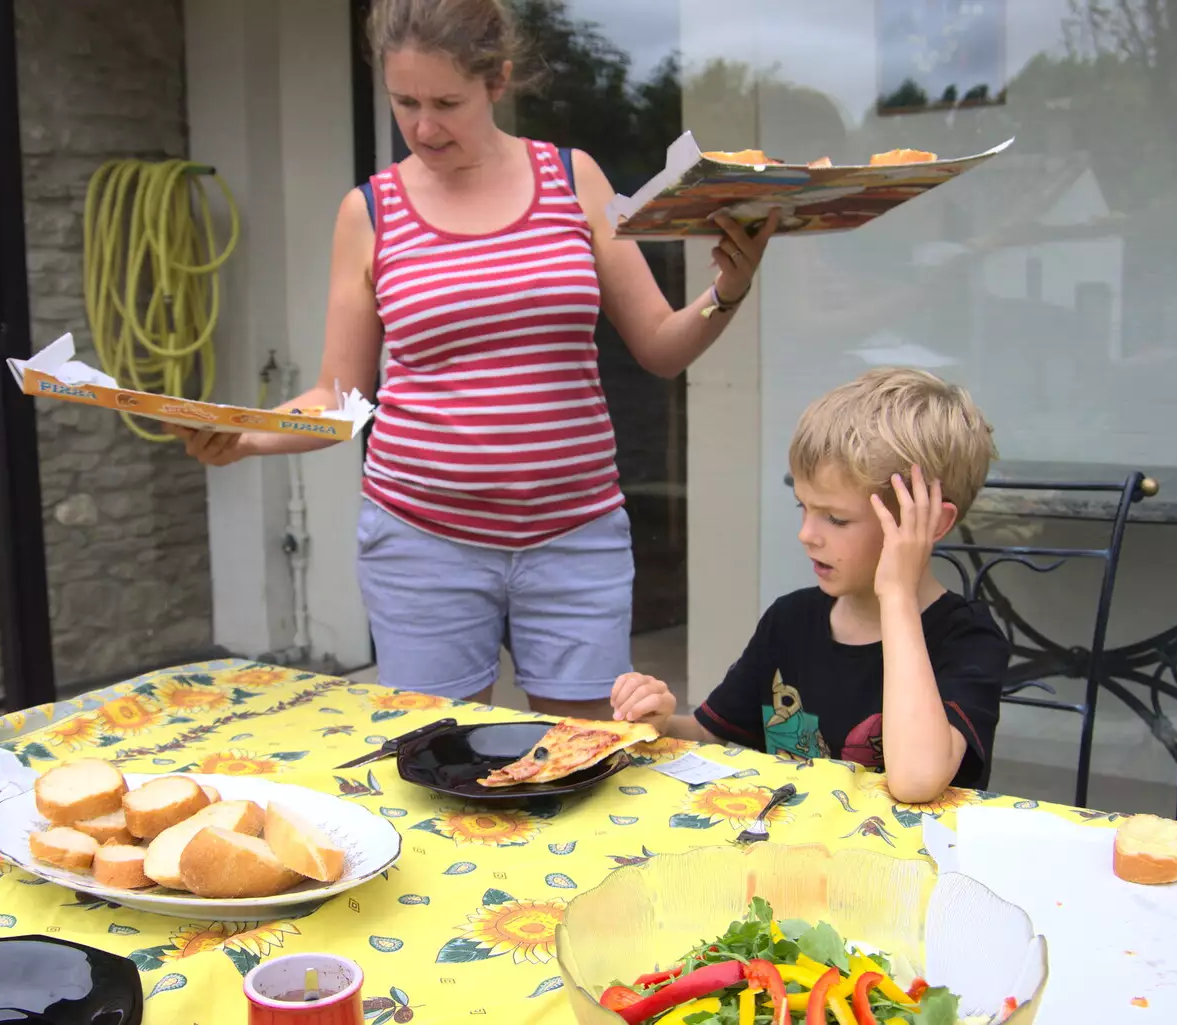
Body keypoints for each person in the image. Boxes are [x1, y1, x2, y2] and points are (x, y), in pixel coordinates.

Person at [168, 0, 778, 721]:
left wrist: (727, 291)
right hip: (421, 543)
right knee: (440, 764)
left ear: (499, 80)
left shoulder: (572, 178)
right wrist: (243, 438)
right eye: (405, 103)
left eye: (447, 102)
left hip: (575, 537)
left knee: (582, 759)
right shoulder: (370, 212)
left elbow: (660, 346)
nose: (424, 127)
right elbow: (339, 400)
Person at [610, 368, 1010, 801]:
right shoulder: (790, 620)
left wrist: (895, 593)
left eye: (835, 518)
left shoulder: (967, 638)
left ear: (930, 523)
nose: (806, 534)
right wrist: (662, 723)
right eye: (804, 507)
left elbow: (916, 780)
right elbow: (711, 733)